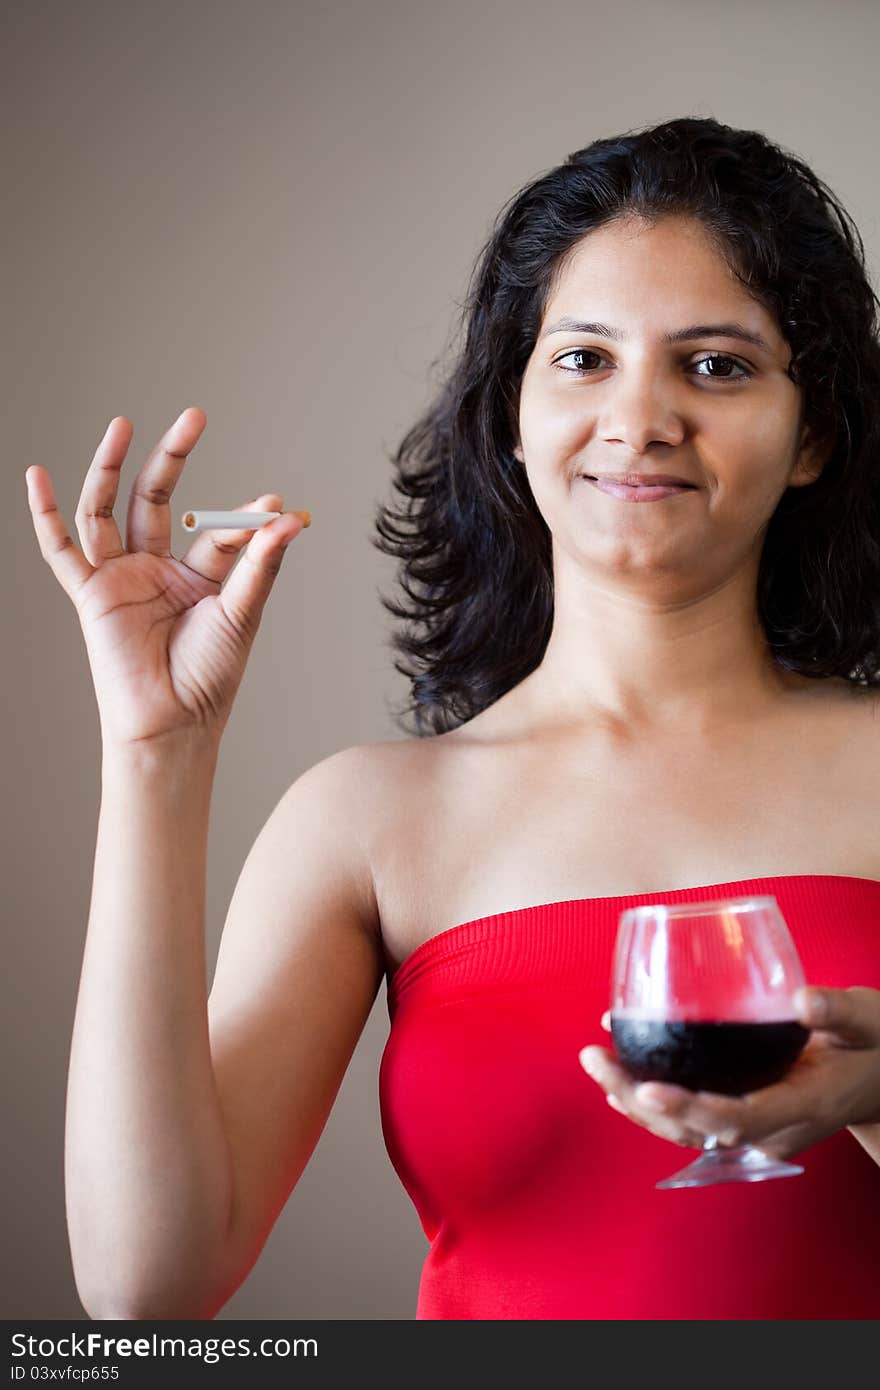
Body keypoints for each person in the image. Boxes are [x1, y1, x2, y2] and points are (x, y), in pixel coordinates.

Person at [27, 115, 880, 1322]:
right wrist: (154, 753)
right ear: (510, 417)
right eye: (583, 358)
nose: (639, 419)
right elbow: (146, 1284)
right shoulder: (368, 819)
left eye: (716, 364)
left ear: (815, 437)